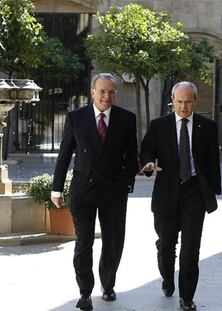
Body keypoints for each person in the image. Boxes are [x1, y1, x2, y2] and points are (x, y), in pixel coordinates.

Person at [50, 73, 139, 311]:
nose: (106, 96)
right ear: (92, 92)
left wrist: (126, 183)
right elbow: (65, 155)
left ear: (115, 94)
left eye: (111, 92)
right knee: (83, 242)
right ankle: (85, 292)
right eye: (102, 91)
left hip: (113, 192)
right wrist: (57, 188)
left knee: (113, 242)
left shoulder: (126, 119)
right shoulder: (76, 118)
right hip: (83, 190)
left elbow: (132, 157)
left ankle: (108, 285)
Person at [140, 81, 221, 311]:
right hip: (167, 191)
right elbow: (146, 150)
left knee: (191, 248)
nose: (183, 107)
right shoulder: (159, 125)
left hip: (194, 191)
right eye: (179, 102)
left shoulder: (208, 127)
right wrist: (147, 164)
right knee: (166, 245)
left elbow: (212, 163)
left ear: (195, 101)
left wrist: (212, 191)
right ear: (172, 101)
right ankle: (167, 277)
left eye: (187, 102)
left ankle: (187, 297)